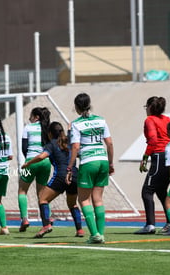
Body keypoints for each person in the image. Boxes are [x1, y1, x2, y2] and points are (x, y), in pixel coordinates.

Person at [21, 121, 84, 238]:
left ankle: (46, 225)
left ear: (49, 133)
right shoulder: (69, 142)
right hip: (75, 175)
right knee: (72, 204)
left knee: (43, 199)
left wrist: (28, 163)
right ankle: (80, 230)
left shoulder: (51, 144)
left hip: (61, 176)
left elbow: (41, 156)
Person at [67, 93, 114, 244]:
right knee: (98, 199)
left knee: (83, 199)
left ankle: (94, 234)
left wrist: (70, 167)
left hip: (88, 161)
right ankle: (100, 234)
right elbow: (110, 143)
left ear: (76, 107)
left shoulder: (76, 124)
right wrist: (111, 163)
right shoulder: (101, 120)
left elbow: (75, 146)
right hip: (102, 159)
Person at [135, 96, 170, 234]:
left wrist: (145, 157)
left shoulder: (150, 119)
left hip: (159, 156)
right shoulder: (167, 119)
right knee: (162, 192)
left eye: (146, 107)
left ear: (150, 107)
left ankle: (150, 225)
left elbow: (153, 139)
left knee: (147, 191)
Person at [18, 107, 51, 232]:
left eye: (31, 116)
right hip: (46, 162)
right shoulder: (47, 128)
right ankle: (47, 218)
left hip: (31, 161)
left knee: (22, 190)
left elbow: (24, 148)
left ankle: (25, 219)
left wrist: (29, 161)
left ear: (36, 117)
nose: (29, 118)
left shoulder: (28, 127)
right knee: (42, 194)